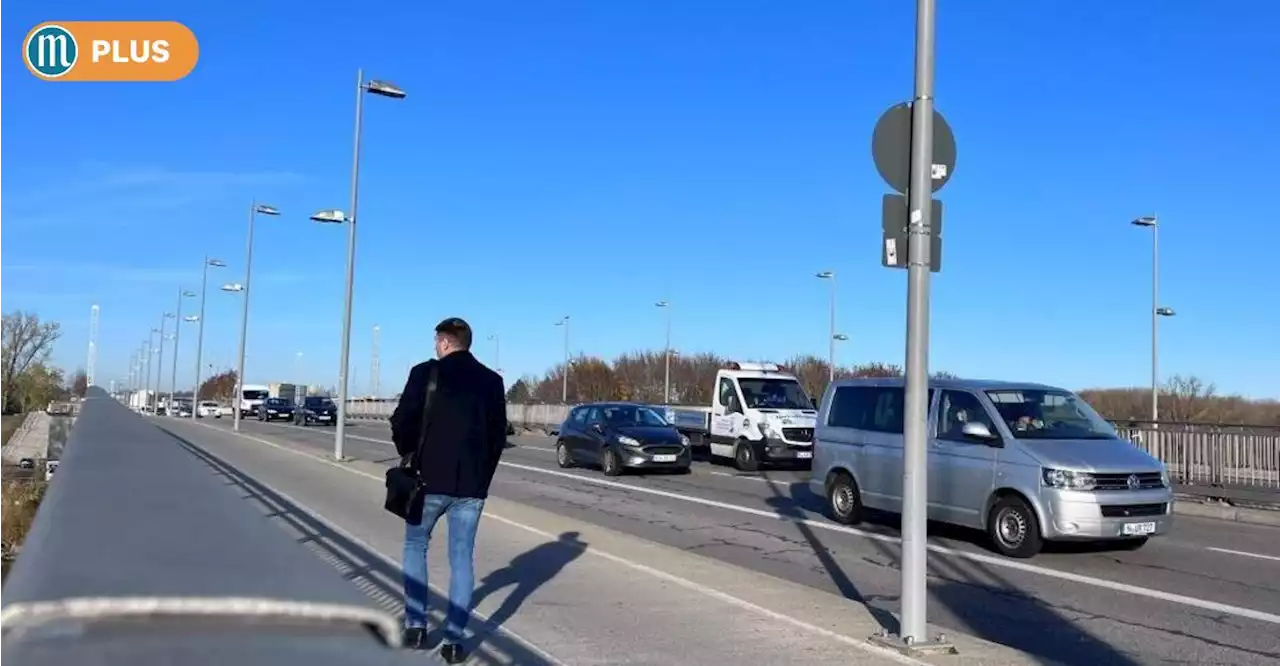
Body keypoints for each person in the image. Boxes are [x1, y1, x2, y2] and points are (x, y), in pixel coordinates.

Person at [390, 317, 508, 662]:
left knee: (415, 544)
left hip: (427, 480)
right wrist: (482, 477)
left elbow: (403, 420)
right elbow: (498, 436)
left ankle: (416, 626)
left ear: (444, 342)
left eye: (436, 342)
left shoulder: (425, 373)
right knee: (461, 559)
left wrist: (407, 453)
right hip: (471, 485)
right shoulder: (492, 381)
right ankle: (454, 642)